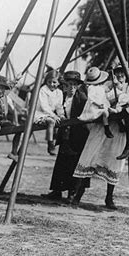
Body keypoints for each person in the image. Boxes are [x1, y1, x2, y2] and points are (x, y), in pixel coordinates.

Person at [71, 70, 129, 210]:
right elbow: (102, 99)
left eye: (123, 75)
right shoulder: (107, 87)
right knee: (89, 157)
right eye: (118, 74)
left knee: (113, 161)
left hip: (118, 130)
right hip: (101, 127)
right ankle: (78, 194)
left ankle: (109, 197)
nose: (120, 77)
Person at [42, 71, 89, 202]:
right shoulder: (61, 97)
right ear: (65, 86)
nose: (72, 88)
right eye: (69, 85)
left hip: (78, 135)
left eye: (75, 85)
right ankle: (57, 191)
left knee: (74, 164)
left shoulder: (82, 99)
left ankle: (72, 193)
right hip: (65, 135)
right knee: (62, 162)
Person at [16, 70, 65, 159]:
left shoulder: (59, 93)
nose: (51, 84)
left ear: (58, 83)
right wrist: (54, 115)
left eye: (54, 82)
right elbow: (44, 106)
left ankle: (56, 140)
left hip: (49, 114)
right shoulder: (43, 90)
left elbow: (59, 106)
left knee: (59, 122)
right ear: (46, 81)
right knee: (51, 122)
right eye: (49, 82)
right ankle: (50, 145)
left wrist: (61, 114)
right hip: (38, 114)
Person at [78, 67, 113, 138]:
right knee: (104, 112)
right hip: (94, 106)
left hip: (102, 104)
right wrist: (98, 105)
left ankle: (120, 125)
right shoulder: (91, 88)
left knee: (110, 110)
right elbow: (91, 99)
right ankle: (107, 129)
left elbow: (105, 94)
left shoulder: (101, 87)